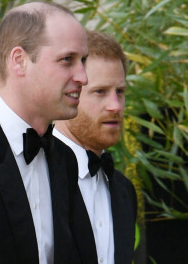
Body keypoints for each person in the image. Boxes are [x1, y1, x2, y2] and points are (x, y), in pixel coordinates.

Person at [0, 1, 88, 264]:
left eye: (83, 61)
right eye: (67, 60)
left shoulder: (66, 160)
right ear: (19, 61)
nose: (83, 77)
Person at [54, 30, 137, 264]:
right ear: (68, 92)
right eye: (100, 92)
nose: (115, 106)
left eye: (119, 92)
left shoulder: (124, 191)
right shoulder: (31, 174)